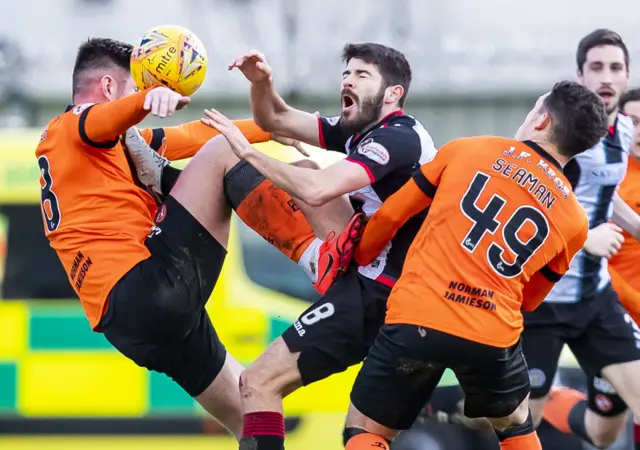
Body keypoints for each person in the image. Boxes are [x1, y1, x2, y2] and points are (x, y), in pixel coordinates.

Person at [35, 37, 354, 440]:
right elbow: (99, 119)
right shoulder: (73, 126)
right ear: (111, 89)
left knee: (250, 408)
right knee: (226, 154)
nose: (139, 102)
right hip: (145, 285)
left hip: (129, 323)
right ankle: (316, 257)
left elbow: (190, 136)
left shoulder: (109, 151)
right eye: (133, 88)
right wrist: (146, 99)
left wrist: (276, 128)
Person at [338, 80, 607, 450]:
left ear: (542, 121)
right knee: (515, 424)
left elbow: (389, 217)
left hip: (419, 315)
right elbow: (529, 301)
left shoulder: (467, 150)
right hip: (491, 334)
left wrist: (359, 259)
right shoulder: (576, 221)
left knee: (364, 429)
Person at [203, 43, 437, 450]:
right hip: (390, 290)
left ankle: (320, 259)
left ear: (393, 94)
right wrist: (263, 82)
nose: (348, 80)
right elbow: (274, 117)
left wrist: (246, 153)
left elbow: (317, 190)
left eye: (362, 75)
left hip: (381, 294)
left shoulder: (397, 138)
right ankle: (323, 258)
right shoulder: (360, 130)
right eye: (347, 74)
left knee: (258, 382)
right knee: (360, 434)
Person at [516, 29, 640, 450]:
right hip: (541, 301)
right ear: (579, 75)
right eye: (597, 68)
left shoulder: (623, 130)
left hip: (595, 299)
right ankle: (453, 408)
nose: (607, 77)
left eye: (616, 68)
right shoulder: (552, 132)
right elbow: (519, 205)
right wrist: (585, 238)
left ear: (627, 76)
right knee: (517, 430)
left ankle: (555, 398)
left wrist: (635, 227)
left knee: (605, 435)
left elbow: (603, 196)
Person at [540, 87, 640, 449]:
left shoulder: (618, 159)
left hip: (607, 311)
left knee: (604, 431)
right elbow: (540, 200)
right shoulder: (585, 159)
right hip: (587, 308)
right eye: (636, 121)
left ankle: (545, 397)